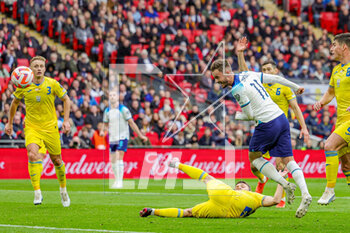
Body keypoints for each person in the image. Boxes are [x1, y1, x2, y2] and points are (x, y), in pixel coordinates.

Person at [210, 58, 311, 218]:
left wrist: (239, 116)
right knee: (288, 160)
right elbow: (277, 79)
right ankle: (305, 193)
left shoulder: (236, 88)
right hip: (281, 118)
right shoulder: (247, 74)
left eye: (217, 77)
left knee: (254, 158)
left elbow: (250, 115)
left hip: (267, 123)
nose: (217, 81)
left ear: (227, 72)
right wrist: (296, 87)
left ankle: (284, 184)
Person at [236, 37, 310, 208]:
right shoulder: (258, 83)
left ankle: (281, 199)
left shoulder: (282, 86)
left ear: (276, 71)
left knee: (280, 163)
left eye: (269, 69)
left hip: (278, 125)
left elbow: (295, 108)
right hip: (263, 126)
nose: (266, 71)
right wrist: (240, 54)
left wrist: (304, 128)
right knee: (255, 166)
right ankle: (262, 181)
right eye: (264, 69)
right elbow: (245, 72)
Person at [5, 56, 71, 206]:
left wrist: (66, 121)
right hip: (32, 127)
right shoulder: (23, 85)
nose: (39, 68)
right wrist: (9, 123)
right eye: (36, 66)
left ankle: (63, 190)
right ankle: (37, 192)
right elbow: (14, 103)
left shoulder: (52, 84)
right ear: (31, 69)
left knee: (57, 160)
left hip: (50, 127)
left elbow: (66, 100)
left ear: (45, 68)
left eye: (41, 66)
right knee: (32, 154)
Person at [140, 158, 286, 218]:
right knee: (208, 179)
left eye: (243, 185)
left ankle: (152, 211)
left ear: (249, 189)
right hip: (224, 198)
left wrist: (281, 180)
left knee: (189, 212)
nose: (239, 185)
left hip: (221, 210)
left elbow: (275, 200)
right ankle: (178, 165)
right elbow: (274, 200)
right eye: (238, 185)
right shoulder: (250, 196)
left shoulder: (256, 197)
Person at [313, 33, 350, 205]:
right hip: (341, 120)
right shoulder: (336, 70)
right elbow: (330, 92)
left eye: (334, 45)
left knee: (329, 145)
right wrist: (321, 102)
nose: (331, 48)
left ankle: (329, 191)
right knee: (347, 163)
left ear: (344, 47)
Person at [102, 91, 147, 188]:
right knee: (113, 160)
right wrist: (103, 131)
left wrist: (140, 135)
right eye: (110, 95)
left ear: (118, 97)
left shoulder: (123, 109)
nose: (112, 97)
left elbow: (131, 123)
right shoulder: (107, 111)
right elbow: (105, 124)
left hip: (122, 136)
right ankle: (116, 180)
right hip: (113, 137)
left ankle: (120, 181)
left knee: (119, 156)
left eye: (114, 95)